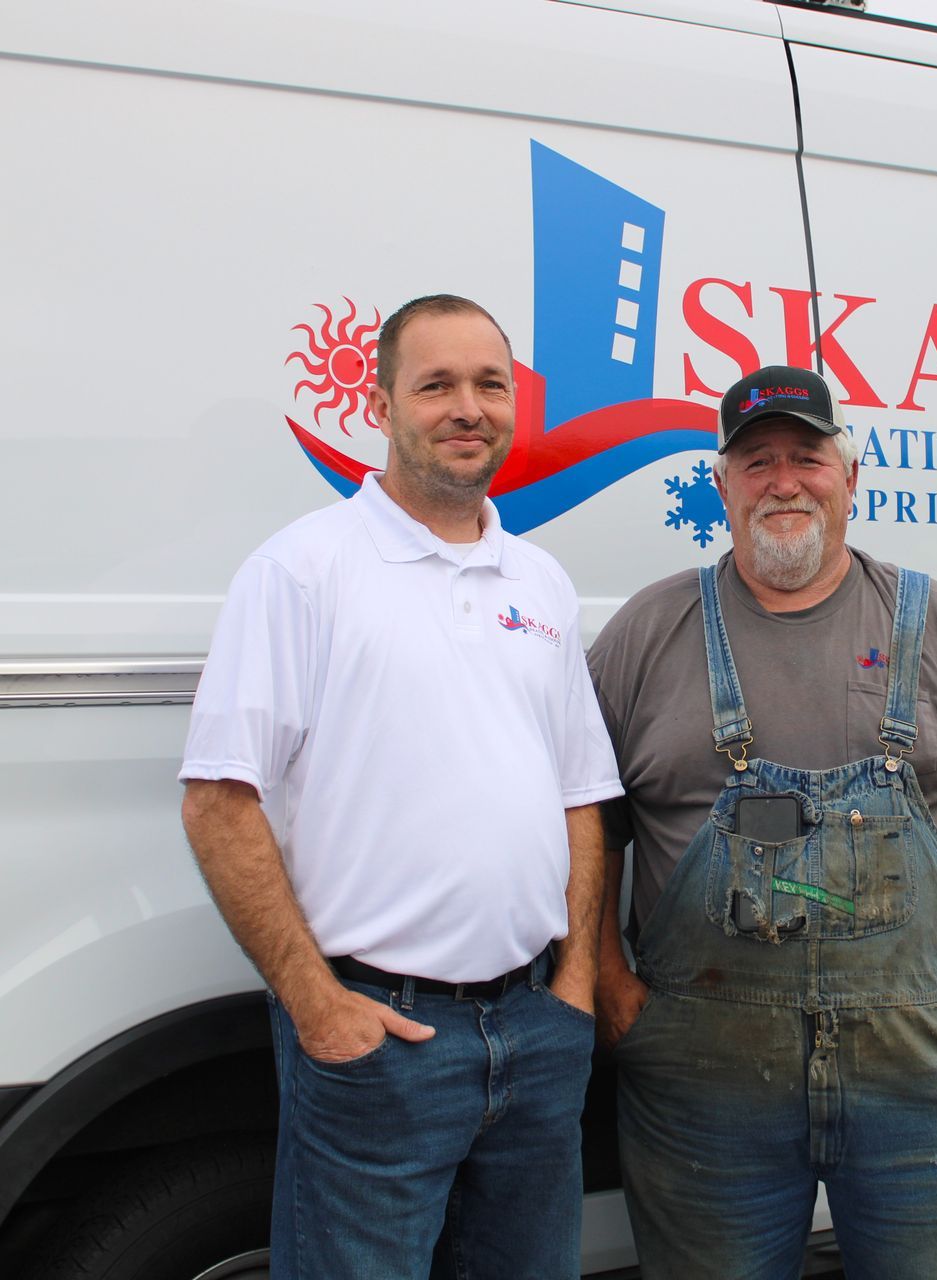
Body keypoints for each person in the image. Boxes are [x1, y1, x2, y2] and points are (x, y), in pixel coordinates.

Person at [179, 294, 621, 1280]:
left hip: (536, 1032)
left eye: (490, 384)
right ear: (380, 403)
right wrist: (319, 1006)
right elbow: (218, 801)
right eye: (437, 385)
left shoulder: (539, 581)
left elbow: (581, 794)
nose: (468, 406)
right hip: (380, 1039)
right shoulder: (303, 570)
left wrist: (577, 986)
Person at [589, 364, 937, 1279]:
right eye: (756, 462)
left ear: (850, 475)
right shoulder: (647, 632)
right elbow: (586, 826)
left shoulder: (934, 623)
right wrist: (607, 978)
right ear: (720, 486)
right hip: (701, 1085)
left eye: (806, 456)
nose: (784, 481)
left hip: (917, 1075)